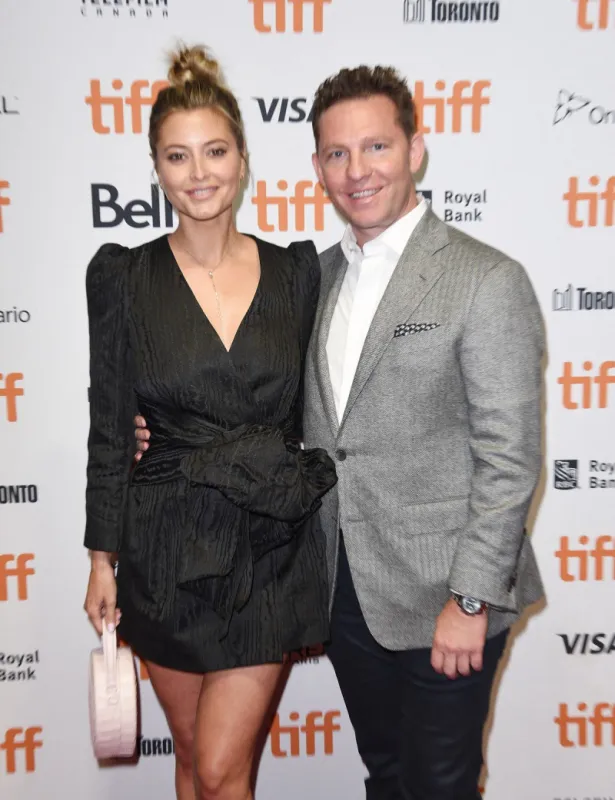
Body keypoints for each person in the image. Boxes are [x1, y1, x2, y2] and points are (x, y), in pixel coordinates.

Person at [136, 64, 545, 799]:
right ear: (316, 166)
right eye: (336, 154)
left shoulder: (485, 279)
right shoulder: (308, 278)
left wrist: (472, 600)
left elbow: (508, 458)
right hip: (342, 589)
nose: (356, 171)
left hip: (446, 597)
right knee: (384, 777)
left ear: (415, 150)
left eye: (376, 148)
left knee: (441, 786)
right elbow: (262, 406)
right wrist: (158, 433)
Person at [83, 45, 336, 800]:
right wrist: (101, 556)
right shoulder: (123, 277)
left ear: (243, 159)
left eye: (215, 151)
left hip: (266, 543)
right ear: (156, 169)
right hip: (163, 545)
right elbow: (106, 424)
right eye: (177, 156)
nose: (199, 173)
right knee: (193, 761)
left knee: (225, 768)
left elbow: (322, 403)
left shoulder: (296, 274)